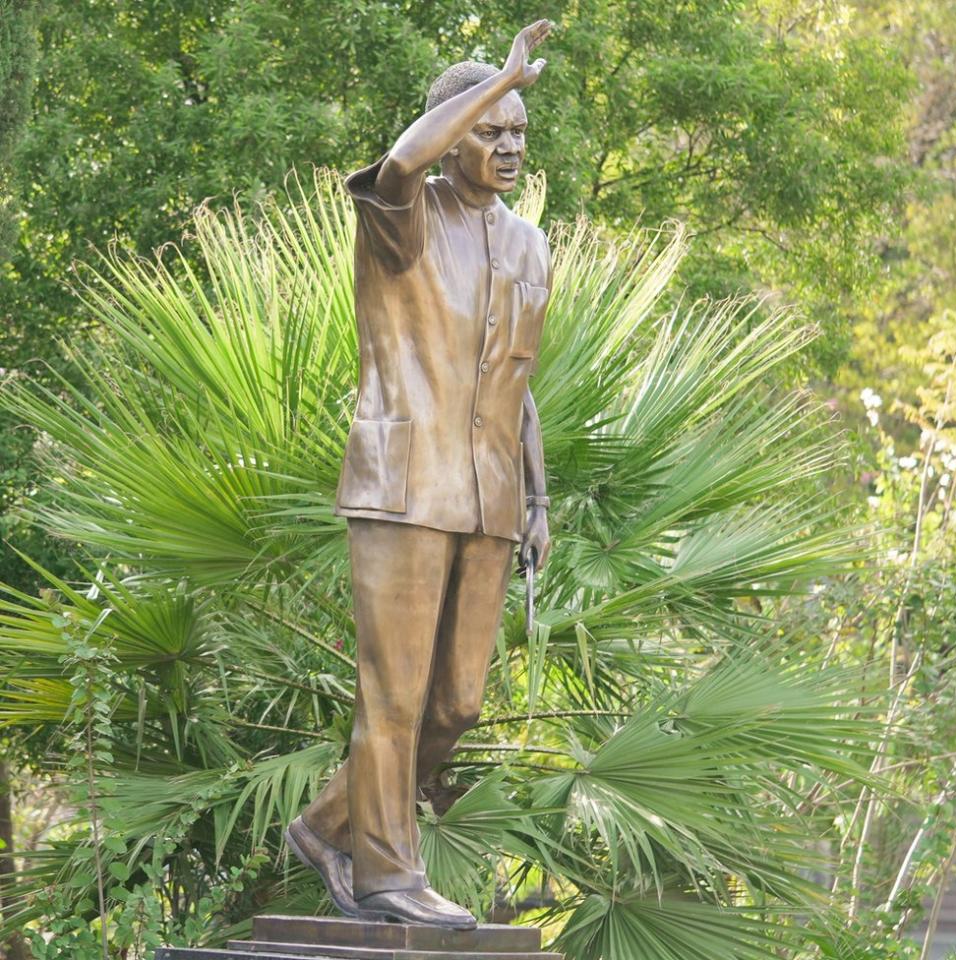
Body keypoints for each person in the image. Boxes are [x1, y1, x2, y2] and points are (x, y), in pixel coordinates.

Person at [284, 18, 554, 930]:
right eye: (491, 128)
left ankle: (327, 825)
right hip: (403, 487)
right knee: (392, 697)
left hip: (489, 498)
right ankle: (389, 876)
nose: (509, 144)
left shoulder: (529, 244)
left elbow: (517, 381)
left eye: (519, 130)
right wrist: (493, 79)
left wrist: (538, 498)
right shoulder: (403, 215)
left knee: (459, 703)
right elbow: (399, 162)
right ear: (453, 131)